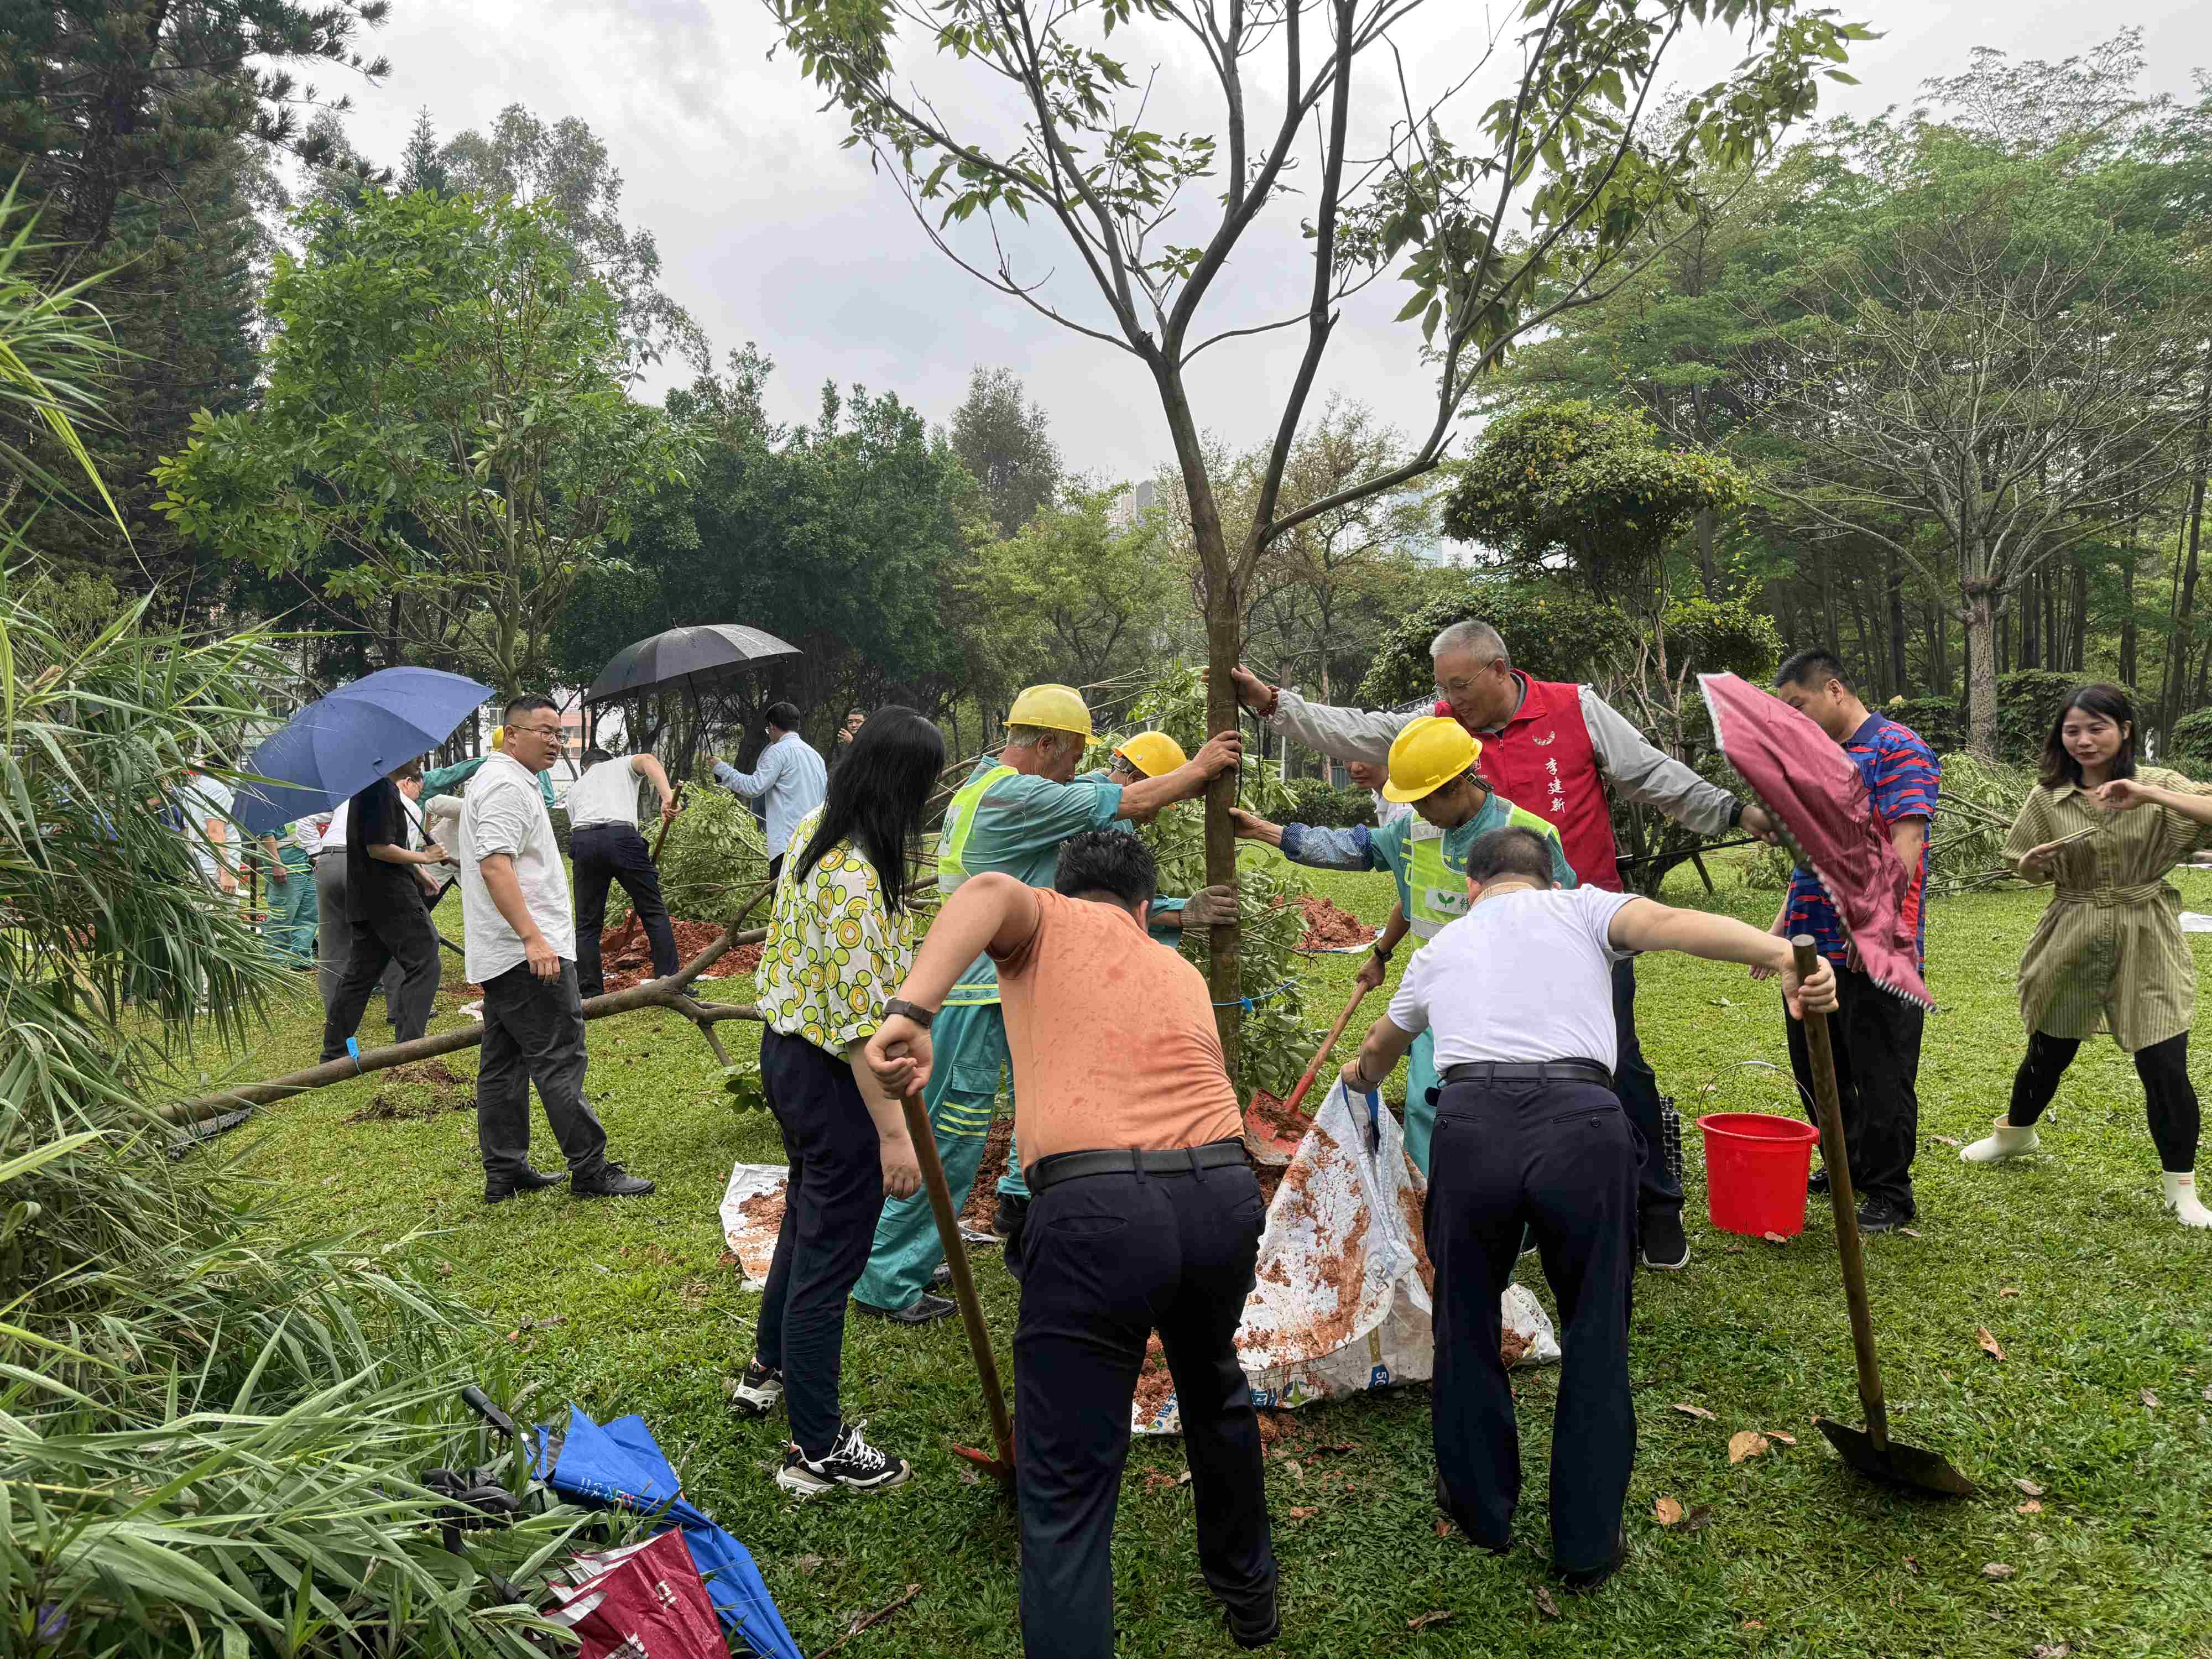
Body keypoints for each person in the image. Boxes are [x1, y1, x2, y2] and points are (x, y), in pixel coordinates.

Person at [1339, 826, 1836, 1593]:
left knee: (1465, 1322)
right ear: (1552, 878)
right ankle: (1586, 1544)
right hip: (1583, 1126)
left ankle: (1479, 1511)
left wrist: (1359, 1076)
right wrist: (1783, 956)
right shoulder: (1586, 908)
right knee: (1595, 1330)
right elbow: (1672, 924)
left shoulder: (1443, 947)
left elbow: (1381, 1047)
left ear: (1472, 887)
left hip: (1473, 1130)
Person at [1228, 620, 1777, 1270]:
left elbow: (1651, 782)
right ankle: (1488, 1222)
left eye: (1460, 685)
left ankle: (1648, 1209)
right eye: (1443, 687)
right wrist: (1272, 719)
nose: (1449, 699)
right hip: (1463, 977)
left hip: (1570, 952)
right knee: (1462, 1095)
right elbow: (1356, 775)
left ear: (1498, 669)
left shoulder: (1566, 727)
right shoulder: (1432, 750)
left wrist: (1734, 817)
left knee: (1611, 1072)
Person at [866, 832, 1280, 1657]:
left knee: (1065, 1481)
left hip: (1099, 1212)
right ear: (1143, 909)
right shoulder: (1178, 968)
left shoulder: (1045, 921)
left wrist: (911, 1013)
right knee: (1213, 1386)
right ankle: (1252, 1602)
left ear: (1064, 889)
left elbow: (987, 891)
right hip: (1222, 1195)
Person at [849, 686, 1240, 1323]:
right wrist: (1198, 770)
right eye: (1073, 755)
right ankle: (887, 1279)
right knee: (952, 1134)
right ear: (1049, 744)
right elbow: (1129, 800)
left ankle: (1000, 1218)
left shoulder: (999, 790)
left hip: (1005, 984)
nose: (1077, 768)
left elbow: (1082, 887)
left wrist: (1172, 911)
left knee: (1042, 1106)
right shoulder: (1014, 795)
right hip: (977, 991)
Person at [729, 706, 946, 1495]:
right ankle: (816, 1448)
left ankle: (768, 1368)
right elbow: (863, 1036)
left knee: (807, 1221)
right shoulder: (852, 877)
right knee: (829, 1262)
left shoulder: (818, 828)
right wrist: (894, 1137)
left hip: (787, 1056)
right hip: (834, 1079)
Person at [1229, 716, 1574, 1173]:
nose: (1416, 810)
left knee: (1508, 1116)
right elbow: (1348, 848)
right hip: (1436, 1003)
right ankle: (1431, 1201)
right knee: (1427, 1109)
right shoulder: (1413, 831)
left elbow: (1567, 929)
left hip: (1514, 1008)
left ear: (1456, 786)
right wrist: (1264, 831)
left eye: (1422, 799)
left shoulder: (1528, 836)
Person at [1961, 684, 2212, 1229]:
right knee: (2049, 1047)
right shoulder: (2048, 796)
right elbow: (2023, 868)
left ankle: (2182, 1190)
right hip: (2071, 928)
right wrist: (2032, 864)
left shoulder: (2160, 784)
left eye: (2097, 727)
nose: (2083, 740)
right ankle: (2015, 1134)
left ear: (2124, 730)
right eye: (2072, 730)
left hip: (2147, 931)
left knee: (2163, 1060)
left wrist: (2148, 795)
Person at [1758, 649, 1938, 1234]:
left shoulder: (1897, 749)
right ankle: (1848, 1165)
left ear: (1834, 689)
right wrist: (1779, 927)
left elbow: (1907, 842)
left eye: (1798, 705)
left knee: (1881, 1073)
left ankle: (1889, 1191)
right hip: (1812, 944)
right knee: (1819, 1066)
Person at [457, 697, 654, 1203]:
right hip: (527, 955)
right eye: (543, 731)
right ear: (511, 734)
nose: (553, 741)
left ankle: (505, 1170)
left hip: (507, 954)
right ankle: (590, 1168)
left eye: (557, 733)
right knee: (560, 1057)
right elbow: (495, 865)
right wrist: (533, 938)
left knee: (504, 1062)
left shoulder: (508, 779)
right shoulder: (504, 785)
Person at [320, 761, 446, 1059]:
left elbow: (384, 842)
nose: (419, 761)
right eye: (415, 756)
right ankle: (409, 1051)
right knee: (425, 960)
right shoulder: (378, 790)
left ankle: (334, 1052)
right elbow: (378, 848)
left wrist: (417, 872)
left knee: (361, 974)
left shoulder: (375, 787)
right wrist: (425, 858)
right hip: (390, 896)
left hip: (368, 896)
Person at [567, 745, 682, 998]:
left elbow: (576, 824)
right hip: (621, 838)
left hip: (583, 841)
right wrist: (667, 797)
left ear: (585, 767)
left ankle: (591, 994)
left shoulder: (575, 788)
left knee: (587, 925)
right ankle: (669, 981)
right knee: (652, 910)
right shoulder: (620, 765)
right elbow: (649, 759)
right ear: (609, 760)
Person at [1103, 732, 1239, 942]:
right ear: (1136, 780)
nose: (1152, 818)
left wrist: (1183, 912)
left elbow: (1120, 901)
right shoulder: (1084, 811)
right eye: (1158, 805)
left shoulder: (1118, 823)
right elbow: (1101, 901)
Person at [714, 701, 828, 875]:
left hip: (788, 846)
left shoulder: (777, 752)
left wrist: (721, 768)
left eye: (768, 730)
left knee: (783, 893)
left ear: (772, 727)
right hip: (814, 843)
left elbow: (754, 787)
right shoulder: (815, 756)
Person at [261, 815, 322, 968]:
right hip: (286, 867)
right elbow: (266, 834)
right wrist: (276, 864)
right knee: (282, 917)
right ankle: (276, 962)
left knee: (309, 916)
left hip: (307, 865)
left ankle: (301, 960)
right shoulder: (270, 805)